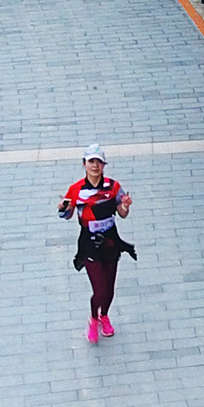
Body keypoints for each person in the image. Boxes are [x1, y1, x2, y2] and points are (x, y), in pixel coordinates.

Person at [58, 145, 134, 344]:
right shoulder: (76, 190)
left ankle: (105, 316)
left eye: (98, 162)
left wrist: (125, 206)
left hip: (111, 242)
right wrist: (63, 209)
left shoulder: (114, 186)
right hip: (89, 243)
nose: (95, 166)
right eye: (91, 162)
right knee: (99, 290)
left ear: (103, 165)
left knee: (109, 289)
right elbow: (67, 214)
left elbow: (122, 213)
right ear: (84, 164)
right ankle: (93, 318)